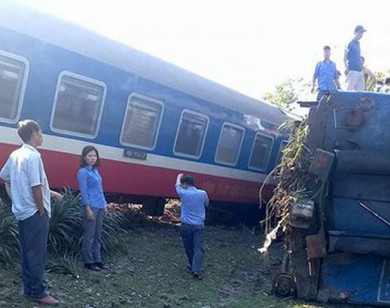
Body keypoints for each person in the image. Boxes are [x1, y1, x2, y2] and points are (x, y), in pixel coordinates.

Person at [0, 119, 62, 305]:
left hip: (22, 212)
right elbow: (36, 186)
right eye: (40, 132)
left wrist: (15, 197)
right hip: (35, 213)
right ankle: (39, 292)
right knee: (37, 253)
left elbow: (4, 176)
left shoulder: (15, 154)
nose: (42, 135)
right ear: (34, 134)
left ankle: (29, 288)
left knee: (28, 252)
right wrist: (41, 209)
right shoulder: (34, 157)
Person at [77, 145, 108, 271]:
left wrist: (105, 205)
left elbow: (100, 190)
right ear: (84, 157)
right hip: (91, 206)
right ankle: (88, 260)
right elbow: (83, 192)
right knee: (89, 234)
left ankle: (97, 258)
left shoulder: (96, 171)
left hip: (100, 205)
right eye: (90, 155)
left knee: (97, 234)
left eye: (94, 155)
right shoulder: (82, 172)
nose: (92, 158)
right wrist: (87, 208)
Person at [175, 173, 209, 279]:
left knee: (188, 247)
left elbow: (177, 185)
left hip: (186, 226)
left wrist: (179, 176)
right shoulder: (203, 193)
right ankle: (195, 269)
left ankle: (192, 265)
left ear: (184, 184)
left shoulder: (183, 193)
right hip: (199, 225)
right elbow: (207, 204)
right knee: (199, 248)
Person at [344, 25, 367, 91]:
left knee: (361, 94)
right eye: (360, 32)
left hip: (360, 71)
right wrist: (346, 67)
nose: (361, 34)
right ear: (355, 32)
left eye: (362, 33)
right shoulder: (349, 43)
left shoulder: (358, 44)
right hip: (352, 71)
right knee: (348, 92)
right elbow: (344, 58)